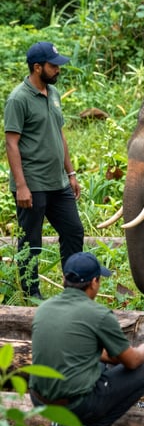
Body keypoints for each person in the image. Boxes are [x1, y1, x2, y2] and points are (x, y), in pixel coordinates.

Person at [29, 252, 144, 426]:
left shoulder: (44, 308)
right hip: (76, 404)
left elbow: (73, 352)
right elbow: (132, 362)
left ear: (65, 279)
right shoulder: (98, 315)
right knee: (141, 372)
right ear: (94, 282)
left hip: (39, 401)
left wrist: (107, 357)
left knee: (99, 366)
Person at [4, 41, 84, 301]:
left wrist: (70, 174)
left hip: (58, 183)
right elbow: (11, 143)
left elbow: (59, 134)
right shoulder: (19, 99)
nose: (58, 69)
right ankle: (31, 295)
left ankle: (74, 289)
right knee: (31, 242)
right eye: (53, 65)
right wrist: (22, 185)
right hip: (33, 184)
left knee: (73, 231)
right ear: (37, 67)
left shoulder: (54, 93)